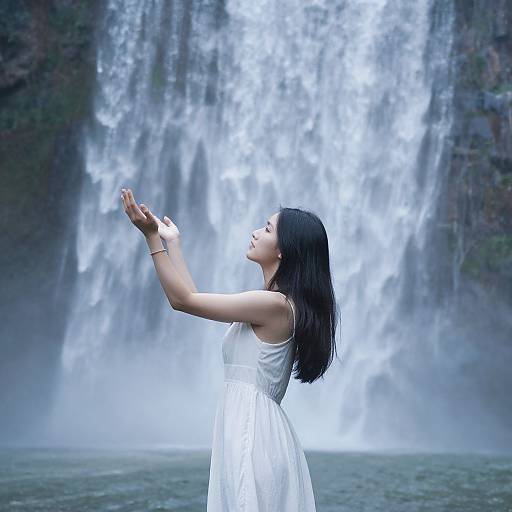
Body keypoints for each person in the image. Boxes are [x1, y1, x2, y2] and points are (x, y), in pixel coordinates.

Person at [121, 187, 340, 511]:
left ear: (283, 250)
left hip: (253, 434)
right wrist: (174, 243)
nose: (255, 232)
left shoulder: (274, 305)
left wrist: (152, 238)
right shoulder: (273, 303)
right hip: (251, 428)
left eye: (266, 229)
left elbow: (182, 301)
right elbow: (191, 294)